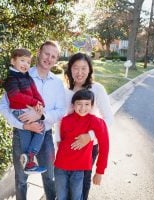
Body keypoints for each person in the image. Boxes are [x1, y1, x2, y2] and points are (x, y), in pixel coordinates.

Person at [0, 41, 66, 200]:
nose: (49, 58)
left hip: (45, 135)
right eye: (46, 54)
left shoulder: (57, 83)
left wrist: (41, 116)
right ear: (39, 53)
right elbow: (3, 106)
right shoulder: (21, 74)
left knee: (49, 177)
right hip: (22, 133)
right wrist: (23, 125)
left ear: (56, 60)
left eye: (53, 56)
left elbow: (61, 111)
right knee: (21, 179)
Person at [55, 52, 114, 200]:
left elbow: (108, 119)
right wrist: (58, 140)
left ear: (89, 70)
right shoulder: (65, 90)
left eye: (83, 68)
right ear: (69, 69)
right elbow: (59, 118)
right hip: (66, 147)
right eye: (75, 68)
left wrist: (90, 136)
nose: (79, 72)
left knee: (81, 186)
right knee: (64, 186)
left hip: (88, 148)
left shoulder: (97, 89)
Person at [54, 89, 110, 200]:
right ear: (73, 105)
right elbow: (63, 141)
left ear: (92, 105)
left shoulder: (96, 122)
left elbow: (105, 146)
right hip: (60, 166)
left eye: (87, 104)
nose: (83, 108)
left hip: (79, 169)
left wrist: (99, 171)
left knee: (76, 197)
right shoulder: (65, 120)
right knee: (61, 197)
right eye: (79, 104)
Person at [3, 48, 46, 174]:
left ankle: (29, 160)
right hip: (19, 111)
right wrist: (33, 102)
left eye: (28, 62)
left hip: (27, 110)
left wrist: (40, 103)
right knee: (36, 130)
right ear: (13, 61)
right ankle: (30, 158)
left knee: (33, 131)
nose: (25, 64)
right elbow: (15, 96)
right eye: (22, 60)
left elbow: (36, 93)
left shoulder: (28, 78)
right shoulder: (11, 79)